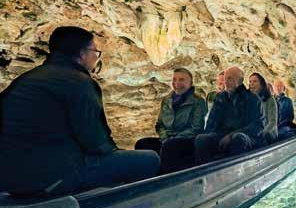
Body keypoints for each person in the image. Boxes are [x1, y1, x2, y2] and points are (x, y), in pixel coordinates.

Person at [0, 26, 160, 198]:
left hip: (8, 178)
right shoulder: (79, 82)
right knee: (149, 159)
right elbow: (96, 143)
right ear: (83, 54)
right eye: (95, 52)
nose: (96, 57)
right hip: (51, 178)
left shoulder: (25, 79)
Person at [135, 68, 207, 173]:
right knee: (142, 144)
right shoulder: (167, 100)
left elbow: (197, 128)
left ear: (190, 83)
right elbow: (160, 125)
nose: (176, 83)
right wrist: (164, 136)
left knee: (169, 147)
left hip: (187, 140)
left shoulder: (198, 101)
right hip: (167, 139)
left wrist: (174, 138)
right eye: (174, 79)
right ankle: (147, 176)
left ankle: (165, 178)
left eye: (181, 79)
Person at [194, 66, 264, 163]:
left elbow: (257, 126)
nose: (226, 82)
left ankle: (237, 170)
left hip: (245, 135)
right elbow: (211, 121)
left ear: (240, 81)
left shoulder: (252, 99)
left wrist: (231, 135)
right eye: (225, 79)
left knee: (238, 138)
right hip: (222, 135)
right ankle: (206, 170)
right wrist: (207, 136)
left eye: (230, 79)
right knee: (201, 139)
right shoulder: (220, 97)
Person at [249, 72, 278, 143]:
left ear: (261, 84)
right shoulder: (248, 99)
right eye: (250, 81)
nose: (251, 83)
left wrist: (262, 134)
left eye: (254, 81)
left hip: (268, 134)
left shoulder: (270, 99)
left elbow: (272, 122)